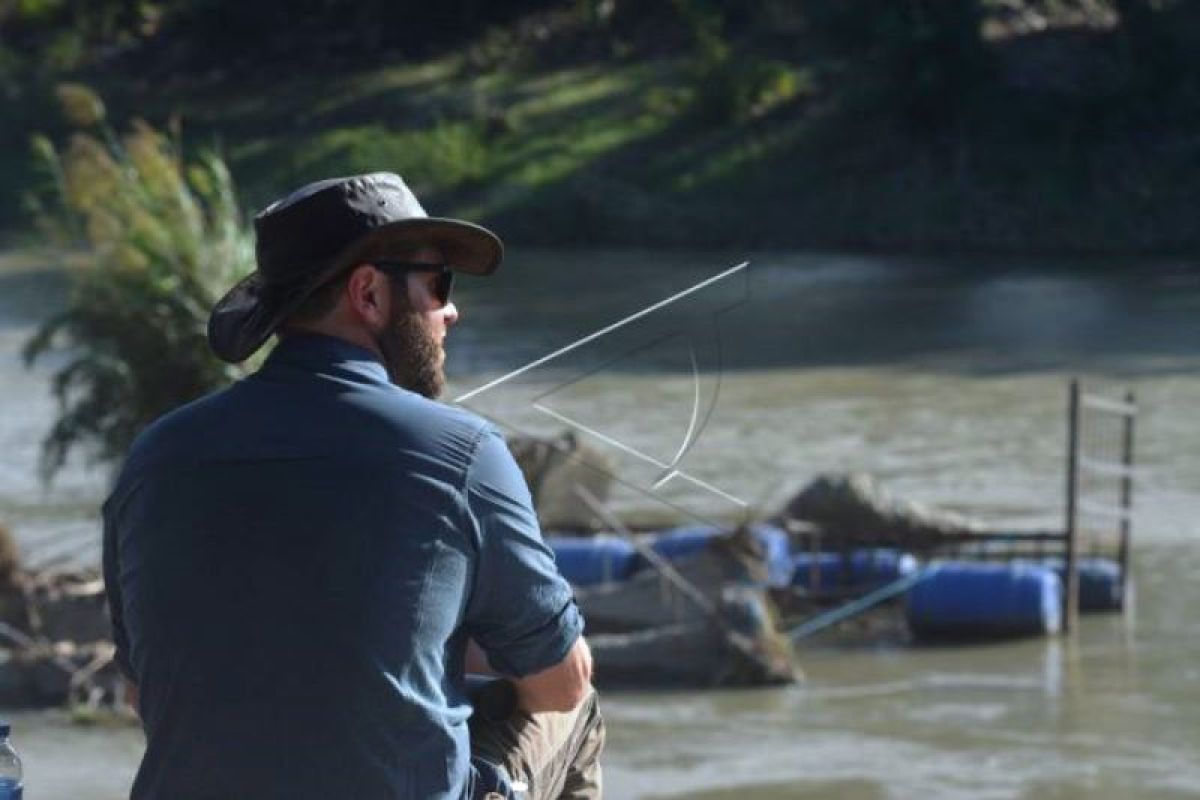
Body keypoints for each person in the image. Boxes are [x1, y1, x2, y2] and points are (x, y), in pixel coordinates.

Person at [101, 173, 604, 800]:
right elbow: (561, 683)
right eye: (437, 282)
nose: (451, 309)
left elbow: (141, 693)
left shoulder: (153, 457)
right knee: (576, 712)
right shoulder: (464, 452)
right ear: (367, 292)